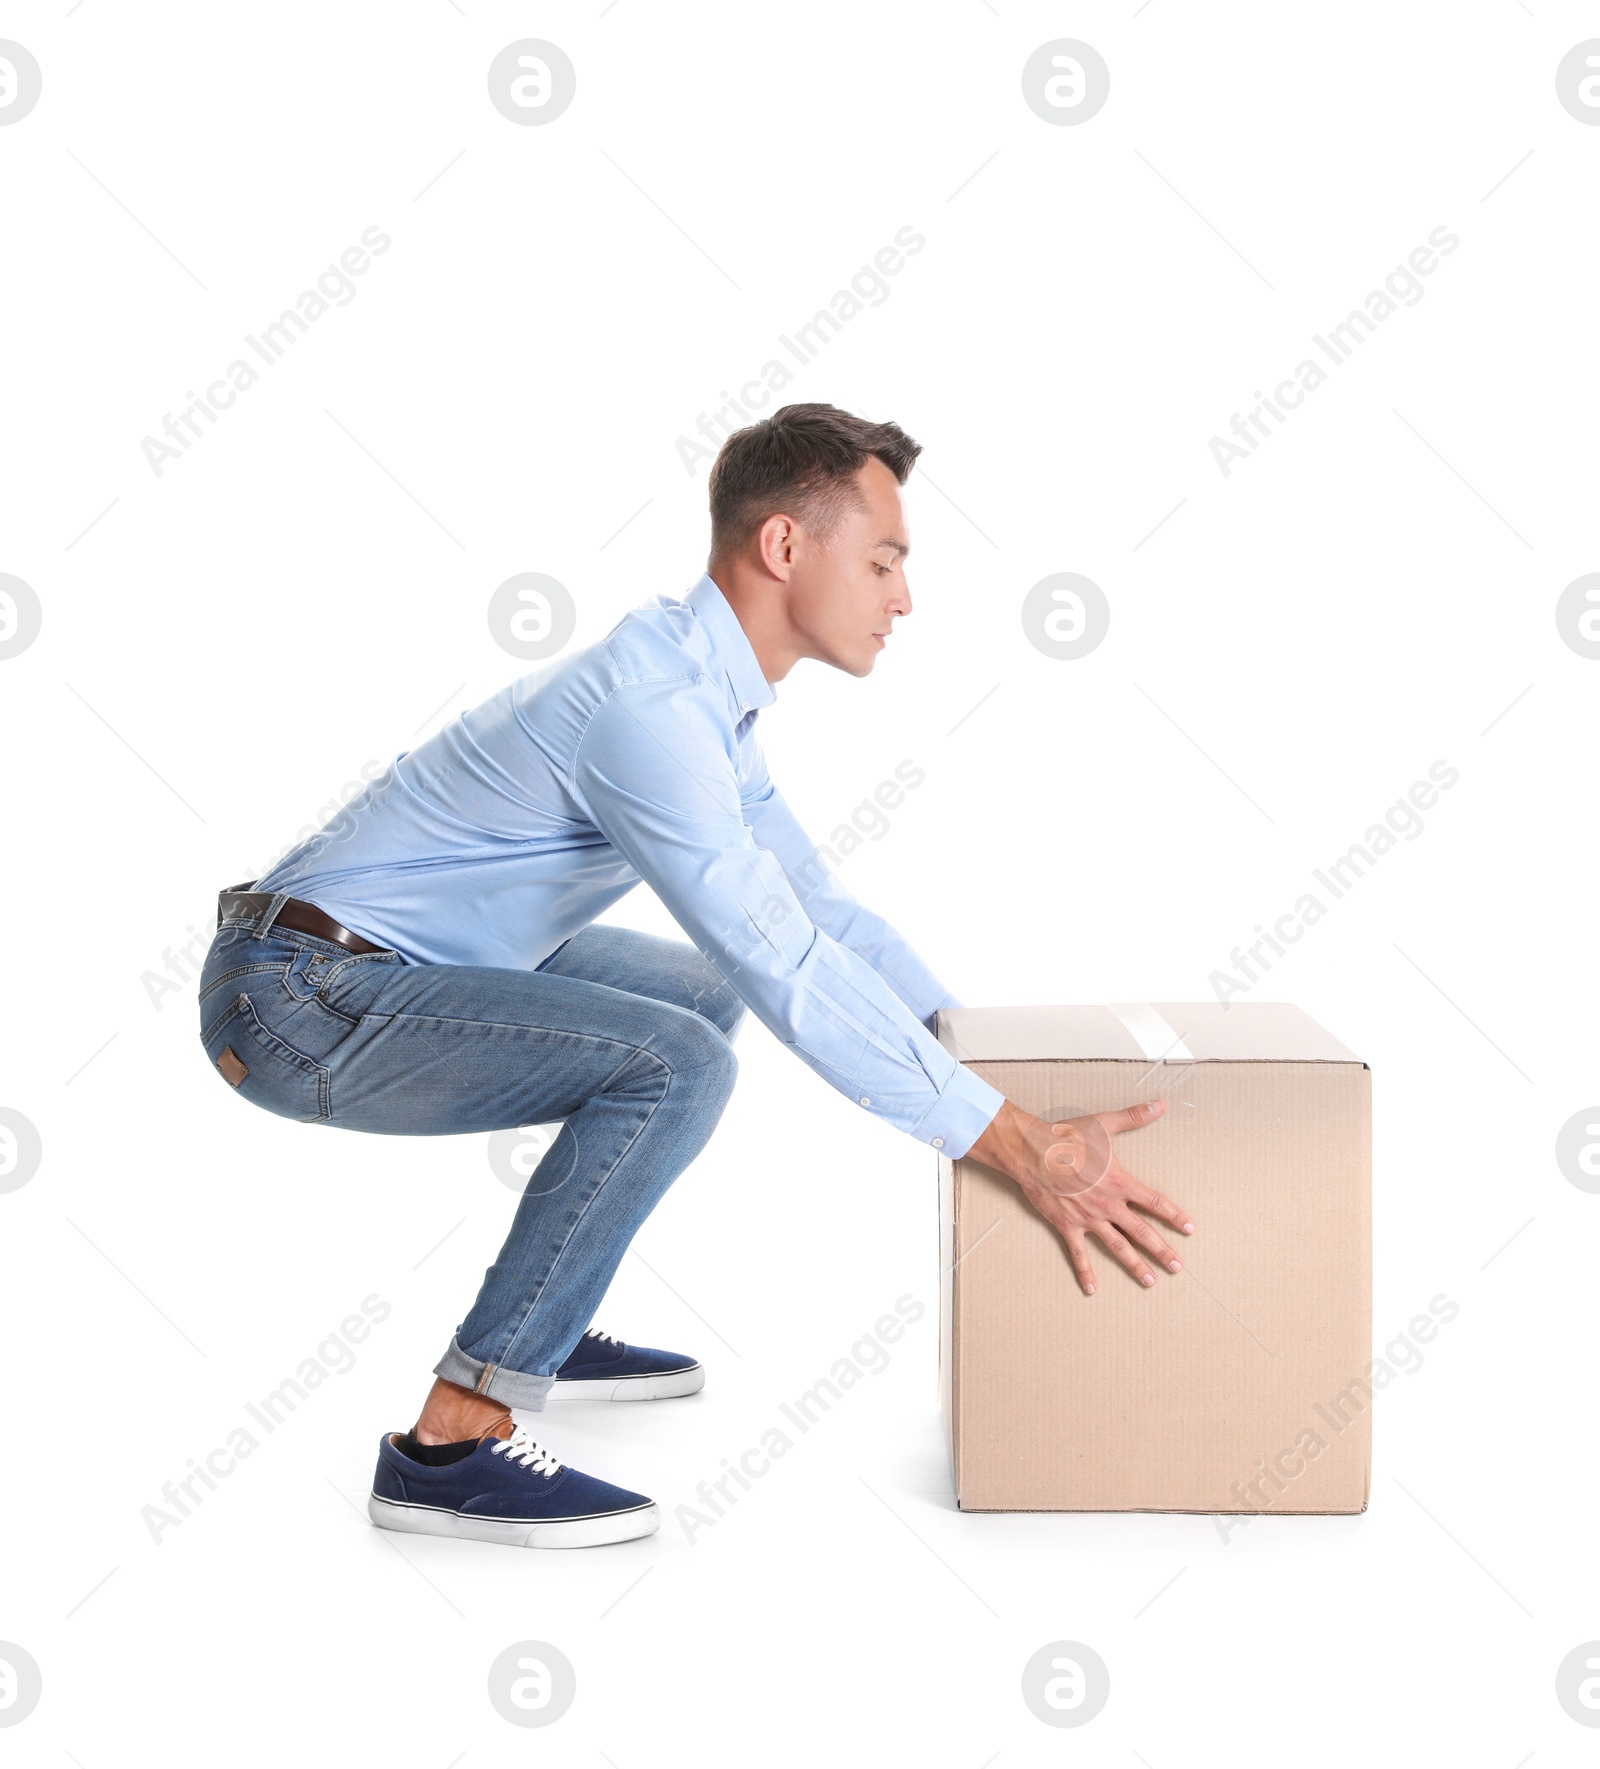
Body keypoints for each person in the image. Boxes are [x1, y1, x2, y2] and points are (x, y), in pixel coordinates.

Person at [196, 403, 1195, 1550]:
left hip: (386, 965)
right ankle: (453, 1443)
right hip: (298, 1000)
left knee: (693, 999)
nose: (903, 597)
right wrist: (1009, 1138)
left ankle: (545, 1320)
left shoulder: (705, 700)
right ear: (783, 547)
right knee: (676, 1060)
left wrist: (981, 1049)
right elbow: (784, 963)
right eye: (882, 560)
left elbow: (817, 913)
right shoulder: (652, 711)